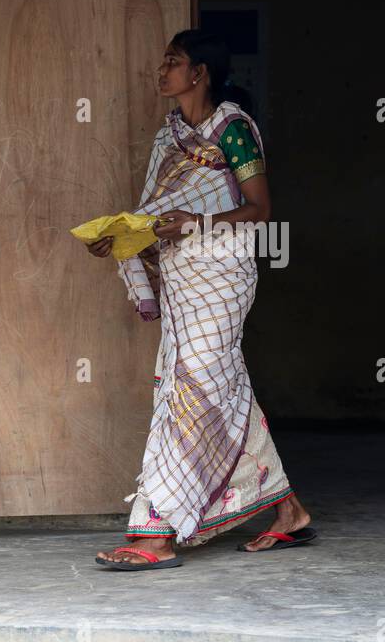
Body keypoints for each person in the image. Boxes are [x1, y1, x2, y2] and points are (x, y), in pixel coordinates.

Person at [87, 30, 315, 570]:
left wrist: (197, 223)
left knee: (192, 389)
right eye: (163, 59)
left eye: (174, 61)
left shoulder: (233, 131)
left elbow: (260, 209)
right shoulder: (169, 138)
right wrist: (119, 239)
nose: (161, 69)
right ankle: (289, 512)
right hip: (181, 274)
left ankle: (158, 532)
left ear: (200, 74)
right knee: (219, 389)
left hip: (222, 275)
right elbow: (156, 220)